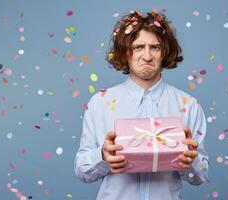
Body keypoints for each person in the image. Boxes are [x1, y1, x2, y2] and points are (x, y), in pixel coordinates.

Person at [74, 10, 209, 200]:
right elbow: (82, 170)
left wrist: (192, 161)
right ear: (125, 52)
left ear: (164, 51)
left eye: (155, 47)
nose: (147, 56)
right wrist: (103, 156)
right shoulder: (100, 103)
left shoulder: (188, 106)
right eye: (138, 47)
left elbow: (202, 174)